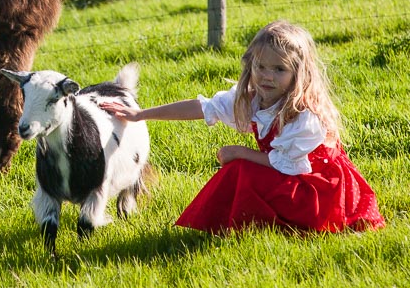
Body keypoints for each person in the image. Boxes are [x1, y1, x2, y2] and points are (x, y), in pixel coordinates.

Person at [100, 20, 385, 234]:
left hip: (318, 192)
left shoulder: (304, 115)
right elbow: (202, 107)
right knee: (240, 171)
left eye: (279, 70)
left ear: (298, 73)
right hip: (291, 178)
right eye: (261, 67)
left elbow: (287, 166)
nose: (267, 77)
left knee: (240, 169)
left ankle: (240, 227)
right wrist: (140, 115)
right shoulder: (253, 98)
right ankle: (228, 228)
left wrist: (240, 152)